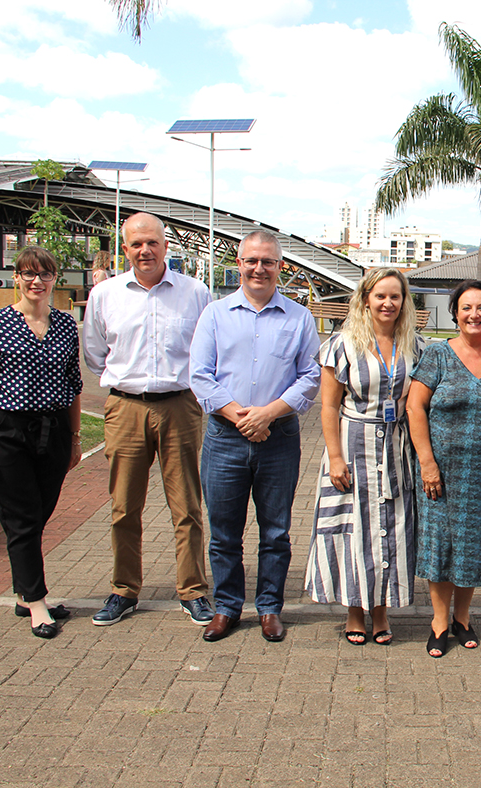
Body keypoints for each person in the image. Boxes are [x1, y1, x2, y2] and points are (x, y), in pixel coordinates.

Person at [82, 212, 215, 627]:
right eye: (136, 244)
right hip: (125, 407)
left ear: (165, 246)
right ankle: (124, 589)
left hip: (180, 406)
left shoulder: (195, 293)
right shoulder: (105, 294)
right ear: (125, 249)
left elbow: (206, 350)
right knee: (124, 506)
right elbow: (94, 354)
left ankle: (193, 590)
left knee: (187, 505)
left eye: (152, 242)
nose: (145, 250)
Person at [190, 231, 321, 643]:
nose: (259, 269)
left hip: (278, 437)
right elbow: (200, 375)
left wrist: (267, 413)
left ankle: (269, 607)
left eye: (268, 261)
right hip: (225, 437)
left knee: (275, 531)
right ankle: (227, 607)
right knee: (224, 532)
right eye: (251, 260)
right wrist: (240, 416)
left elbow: (310, 376)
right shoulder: (215, 314)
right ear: (239, 263)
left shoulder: (299, 318)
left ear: (280, 266)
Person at [304, 268, 424, 645]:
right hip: (353, 444)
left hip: (397, 447)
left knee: (392, 527)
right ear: (366, 300)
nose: (388, 303)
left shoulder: (415, 345)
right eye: (380, 296)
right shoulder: (343, 344)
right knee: (353, 528)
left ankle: (382, 610)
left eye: (395, 296)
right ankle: (355, 610)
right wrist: (335, 457)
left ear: (404, 302)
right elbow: (328, 406)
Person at [0, 246, 82, 639]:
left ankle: (24, 593)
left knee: (39, 513)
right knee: (23, 520)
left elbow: (73, 385)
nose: (37, 281)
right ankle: (36, 602)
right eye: (29, 273)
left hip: (54, 432)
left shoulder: (64, 325)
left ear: (54, 279)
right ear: (16, 277)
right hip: (9, 433)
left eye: (45, 274)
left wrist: (75, 437)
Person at [406, 280, 481, 658]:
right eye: (466, 307)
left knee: (471, 545)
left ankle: (462, 618)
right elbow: (414, 407)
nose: (474, 315)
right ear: (455, 313)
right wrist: (427, 462)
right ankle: (438, 622)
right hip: (439, 471)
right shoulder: (438, 354)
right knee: (439, 543)